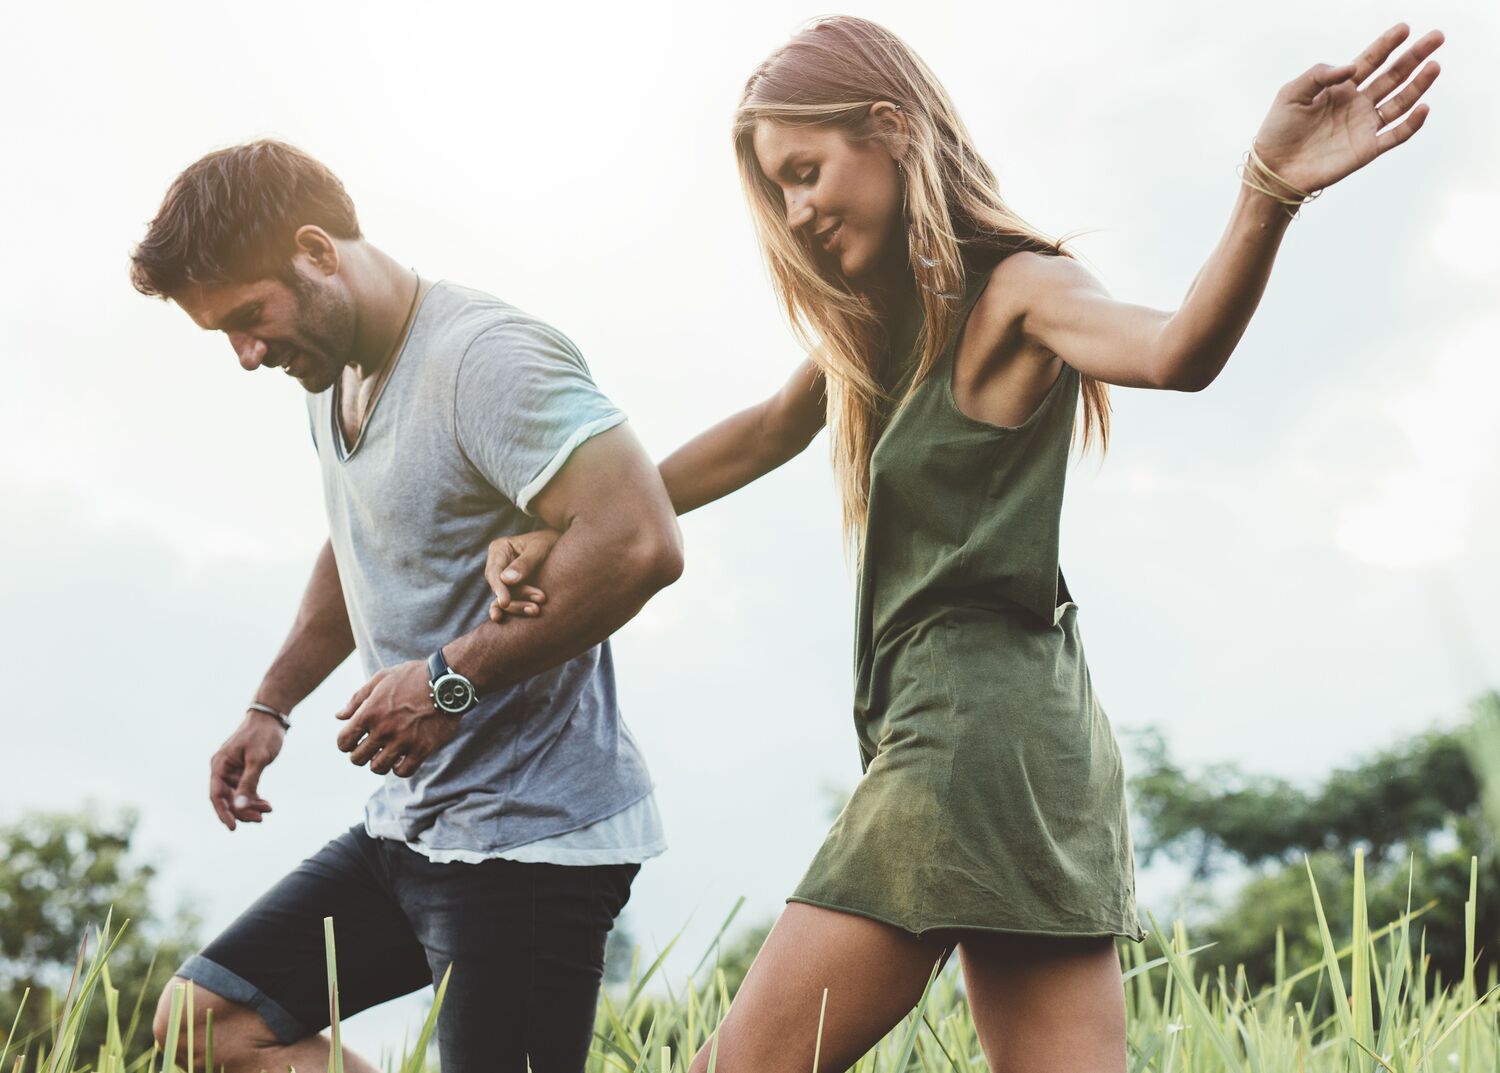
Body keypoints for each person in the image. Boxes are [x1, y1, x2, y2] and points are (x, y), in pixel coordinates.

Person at [483, 16, 1443, 1073]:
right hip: (1038, 748)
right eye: (778, 191)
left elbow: (1176, 351)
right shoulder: (881, 328)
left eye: (807, 171)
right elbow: (761, 432)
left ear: (891, 131)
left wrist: (1267, 186)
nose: (797, 212)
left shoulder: (1018, 288)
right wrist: (573, 517)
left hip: (963, 743)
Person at [129, 140, 684, 1073]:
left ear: (316, 250)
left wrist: (444, 684)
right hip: (415, 824)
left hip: (533, 841)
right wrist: (272, 704)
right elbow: (358, 538)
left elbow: (639, 540)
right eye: (223, 333)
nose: (246, 353)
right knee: (205, 1019)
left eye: (249, 317)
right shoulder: (331, 371)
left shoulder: (483, 357)